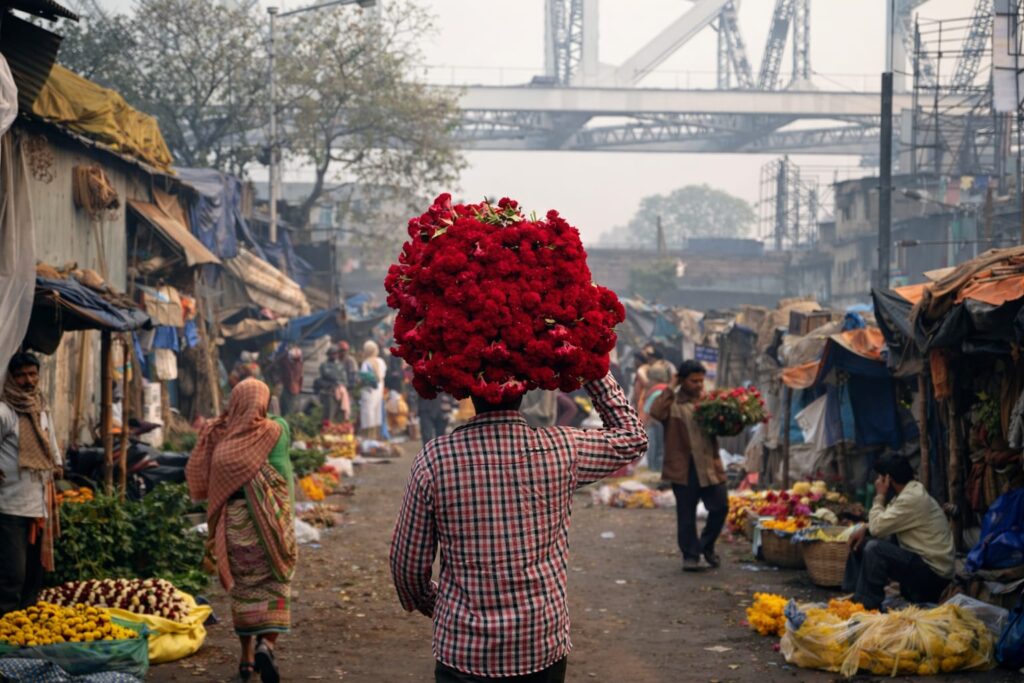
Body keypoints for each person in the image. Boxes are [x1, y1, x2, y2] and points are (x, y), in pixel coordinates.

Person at [390, 372, 647, 682]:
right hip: (540, 645)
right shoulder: (562, 449)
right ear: (526, 389)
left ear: (469, 393)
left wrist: (442, 606)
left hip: (464, 649)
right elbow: (632, 437)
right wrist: (593, 369)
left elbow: (407, 570)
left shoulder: (434, 459)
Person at [185, 379, 296, 683]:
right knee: (277, 581)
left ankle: (246, 658)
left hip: (234, 525)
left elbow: (200, 474)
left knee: (243, 592)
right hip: (271, 523)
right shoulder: (276, 430)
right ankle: (267, 644)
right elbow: (285, 474)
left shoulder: (218, 433)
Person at [843, 456, 954, 610]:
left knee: (874, 548)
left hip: (934, 577)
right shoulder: (907, 493)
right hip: (923, 567)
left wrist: (880, 495)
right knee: (863, 541)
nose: (877, 482)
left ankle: (866, 607)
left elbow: (878, 527)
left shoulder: (911, 498)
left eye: (880, 478)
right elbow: (884, 521)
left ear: (887, 478)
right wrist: (863, 528)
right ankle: (854, 595)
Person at [649, 360, 727, 572]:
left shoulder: (707, 401)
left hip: (709, 466)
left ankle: (706, 546)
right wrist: (671, 386)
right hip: (684, 469)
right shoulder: (671, 402)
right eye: (694, 381)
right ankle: (690, 557)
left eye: (701, 381)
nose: (699, 385)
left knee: (720, 507)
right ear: (682, 380)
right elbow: (655, 412)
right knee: (686, 516)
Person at [0, 353, 62, 616]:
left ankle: (24, 632)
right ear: (12, 379)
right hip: (10, 506)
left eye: (33, 374)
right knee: (12, 575)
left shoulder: (41, 408)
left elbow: (51, 443)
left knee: (33, 578)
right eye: (22, 375)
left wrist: (57, 465)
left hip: (37, 504)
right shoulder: (5, 412)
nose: (29, 381)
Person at [640, 365, 671, 473]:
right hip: (666, 426)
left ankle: (653, 472)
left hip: (654, 425)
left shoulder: (655, 392)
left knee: (654, 451)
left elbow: (647, 413)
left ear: (654, 379)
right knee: (662, 451)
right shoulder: (668, 390)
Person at [359, 340, 387, 439]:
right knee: (377, 413)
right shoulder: (381, 362)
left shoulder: (366, 363)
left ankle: (368, 437)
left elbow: (363, 378)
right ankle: (376, 437)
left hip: (368, 392)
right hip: (379, 392)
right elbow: (382, 376)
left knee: (368, 413)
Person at [316, 347, 351, 423]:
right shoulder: (324, 365)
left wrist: (341, 384)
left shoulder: (340, 365)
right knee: (329, 415)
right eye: (333, 354)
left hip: (340, 392)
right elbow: (328, 375)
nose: (334, 355)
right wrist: (336, 380)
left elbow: (344, 379)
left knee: (340, 415)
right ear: (328, 355)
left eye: (336, 354)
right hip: (329, 393)